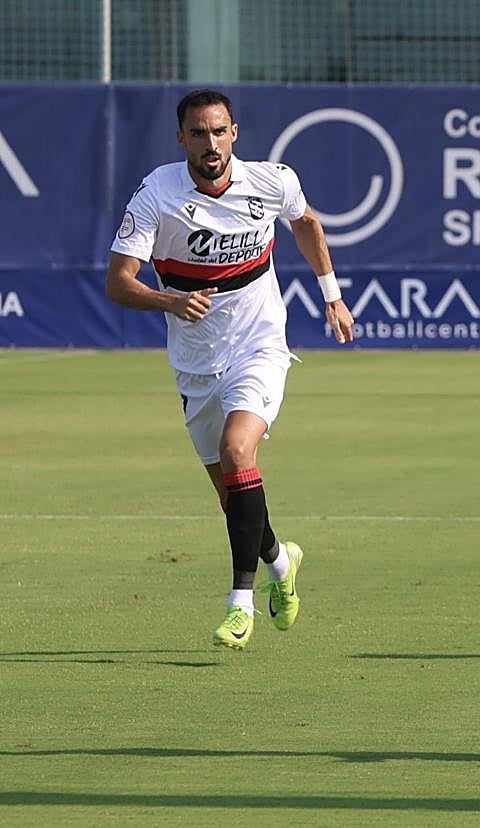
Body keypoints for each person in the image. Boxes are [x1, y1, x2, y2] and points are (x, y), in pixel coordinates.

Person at [106, 89, 354, 650]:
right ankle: (280, 563)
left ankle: (238, 603)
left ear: (234, 133)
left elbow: (308, 224)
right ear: (182, 140)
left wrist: (332, 296)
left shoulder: (271, 181)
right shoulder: (157, 194)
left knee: (242, 452)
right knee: (233, 498)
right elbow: (119, 282)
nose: (210, 143)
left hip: (260, 345)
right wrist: (168, 301)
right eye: (198, 133)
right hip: (196, 365)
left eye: (219, 132)